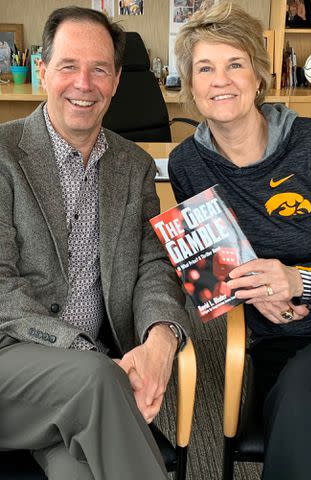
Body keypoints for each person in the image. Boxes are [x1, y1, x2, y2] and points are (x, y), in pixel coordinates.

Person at [0, 6, 189, 480]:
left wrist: (162, 338)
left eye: (99, 68)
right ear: (43, 71)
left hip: (87, 388)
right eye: (68, 66)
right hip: (13, 361)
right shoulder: (4, 156)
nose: (84, 83)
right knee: (100, 380)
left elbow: (153, 265)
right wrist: (87, 354)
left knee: (79, 471)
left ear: (117, 80)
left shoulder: (134, 165)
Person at [169, 1, 311, 479]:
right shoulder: (187, 165)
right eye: (205, 68)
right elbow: (212, 271)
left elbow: (295, 281)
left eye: (235, 64)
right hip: (280, 343)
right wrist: (253, 292)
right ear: (190, 85)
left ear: (258, 74)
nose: (221, 80)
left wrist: (297, 280)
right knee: (299, 402)